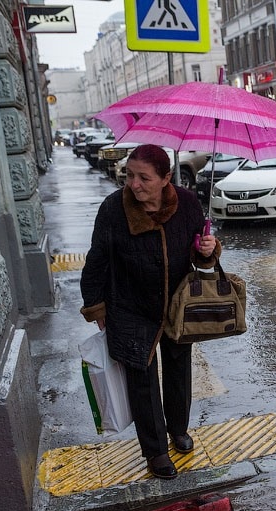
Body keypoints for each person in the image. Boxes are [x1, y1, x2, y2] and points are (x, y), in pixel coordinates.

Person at [80, 144, 219, 480]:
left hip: (175, 305)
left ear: (165, 178)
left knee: (178, 370)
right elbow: (96, 260)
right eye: (130, 175)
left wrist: (207, 250)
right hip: (129, 307)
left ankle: (178, 428)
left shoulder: (185, 203)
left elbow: (200, 256)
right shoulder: (114, 209)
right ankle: (155, 450)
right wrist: (97, 306)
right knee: (141, 380)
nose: (134, 184)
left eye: (144, 177)